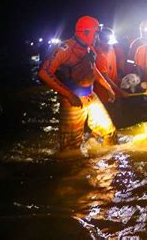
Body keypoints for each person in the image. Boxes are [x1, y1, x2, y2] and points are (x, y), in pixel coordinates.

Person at [38, 15, 117, 150]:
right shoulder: (66, 48)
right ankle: (73, 169)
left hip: (90, 96)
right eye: (95, 33)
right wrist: (69, 95)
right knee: (70, 147)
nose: (97, 37)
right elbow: (44, 73)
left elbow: (93, 69)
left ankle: (103, 163)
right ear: (85, 32)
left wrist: (108, 87)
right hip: (72, 101)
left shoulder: (89, 48)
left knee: (109, 133)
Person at [94, 27, 128, 125]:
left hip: (114, 91)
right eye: (108, 42)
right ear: (101, 41)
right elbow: (105, 78)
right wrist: (119, 91)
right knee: (106, 120)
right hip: (104, 94)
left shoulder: (111, 48)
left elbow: (113, 66)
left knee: (118, 117)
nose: (110, 44)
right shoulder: (100, 56)